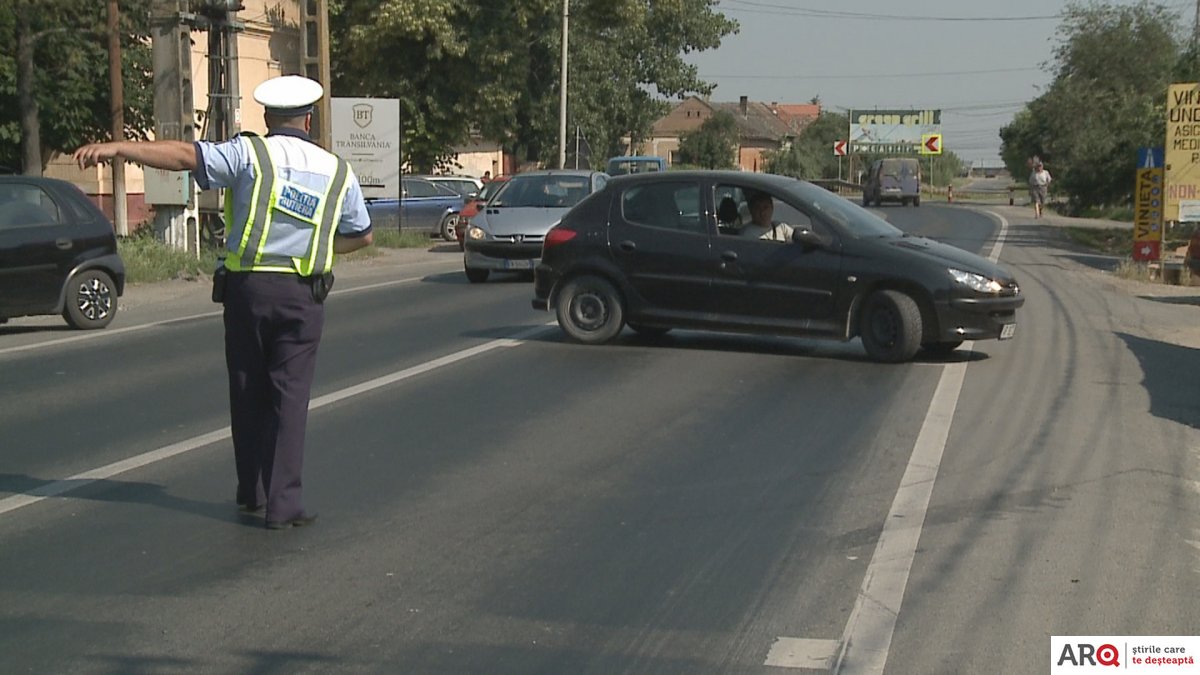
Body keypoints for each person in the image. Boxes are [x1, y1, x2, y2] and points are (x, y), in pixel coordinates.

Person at [72, 75, 373, 530]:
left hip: (248, 292)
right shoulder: (337, 171)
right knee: (289, 399)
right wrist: (322, 253)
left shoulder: (249, 154)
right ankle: (283, 505)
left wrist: (119, 148)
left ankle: (251, 491)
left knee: (247, 389)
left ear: (268, 119)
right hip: (302, 296)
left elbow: (182, 155)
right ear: (309, 119)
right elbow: (362, 235)